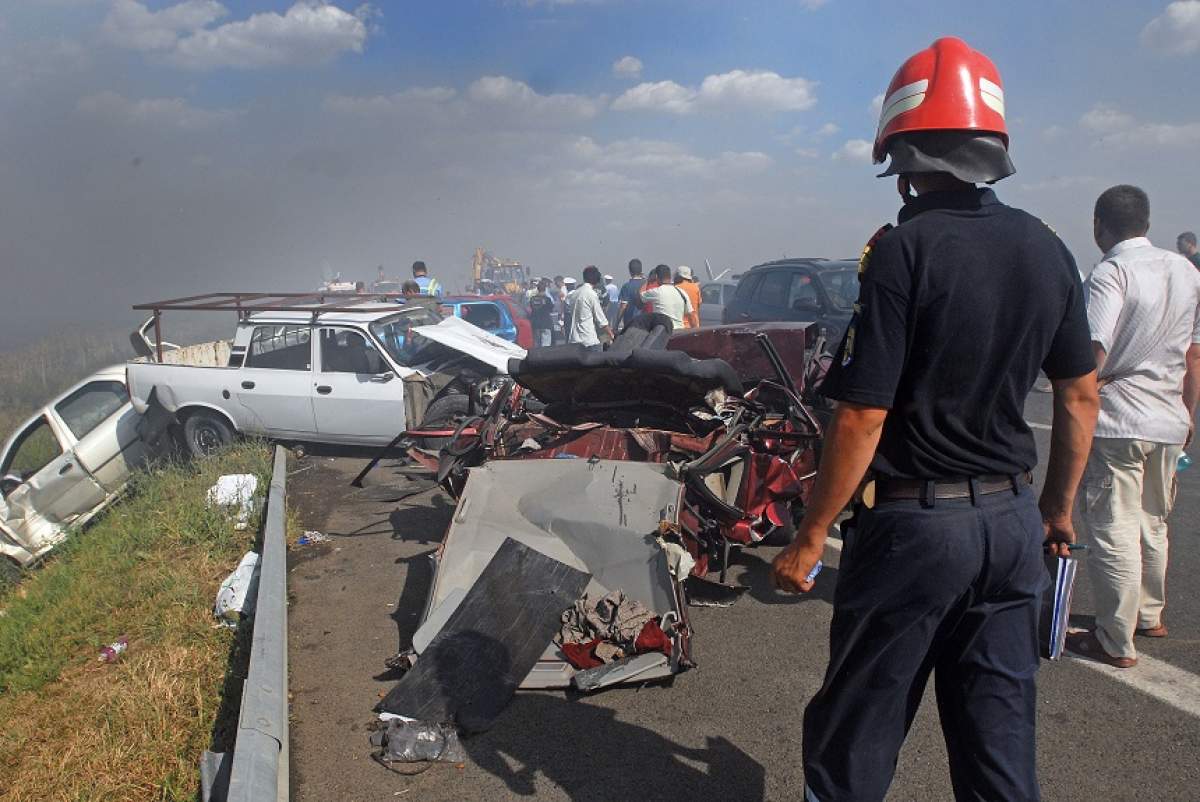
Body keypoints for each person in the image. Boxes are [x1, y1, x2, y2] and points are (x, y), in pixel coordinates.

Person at [769, 37, 1098, 802]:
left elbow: (862, 415)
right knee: (999, 741)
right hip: (1013, 524)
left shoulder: (901, 251)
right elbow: (1081, 394)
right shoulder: (1048, 248)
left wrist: (812, 535)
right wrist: (1055, 513)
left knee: (857, 729)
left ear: (904, 151)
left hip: (915, 531)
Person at [1066, 187, 1200, 668]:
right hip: (1168, 417)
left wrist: (1072, 398)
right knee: (1153, 521)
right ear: (1146, 221)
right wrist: (1188, 417)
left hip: (1120, 418)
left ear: (1099, 223)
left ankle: (1113, 639)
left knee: (1112, 527)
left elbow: (1094, 349)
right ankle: (1149, 614)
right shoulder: (1185, 270)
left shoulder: (1111, 272)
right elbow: (1194, 354)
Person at [565, 266, 612, 351]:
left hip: (574, 340)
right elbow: (601, 320)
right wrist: (611, 335)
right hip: (589, 341)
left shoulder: (574, 294)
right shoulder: (591, 294)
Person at [640, 264, 696, 331]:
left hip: (663, 333)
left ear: (656, 277)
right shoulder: (682, 293)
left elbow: (641, 295)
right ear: (670, 276)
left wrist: (647, 281)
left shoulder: (656, 292)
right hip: (679, 333)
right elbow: (692, 316)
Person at [616, 259, 646, 331]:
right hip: (644, 323)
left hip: (629, 324)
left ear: (630, 271)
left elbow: (623, 306)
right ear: (641, 270)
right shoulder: (646, 284)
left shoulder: (626, 286)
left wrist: (616, 324)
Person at [528, 279, 556, 348]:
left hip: (535, 324)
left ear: (537, 289)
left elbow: (531, 308)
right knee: (546, 345)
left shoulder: (532, 299)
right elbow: (551, 309)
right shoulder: (547, 299)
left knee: (536, 344)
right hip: (546, 323)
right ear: (545, 289)